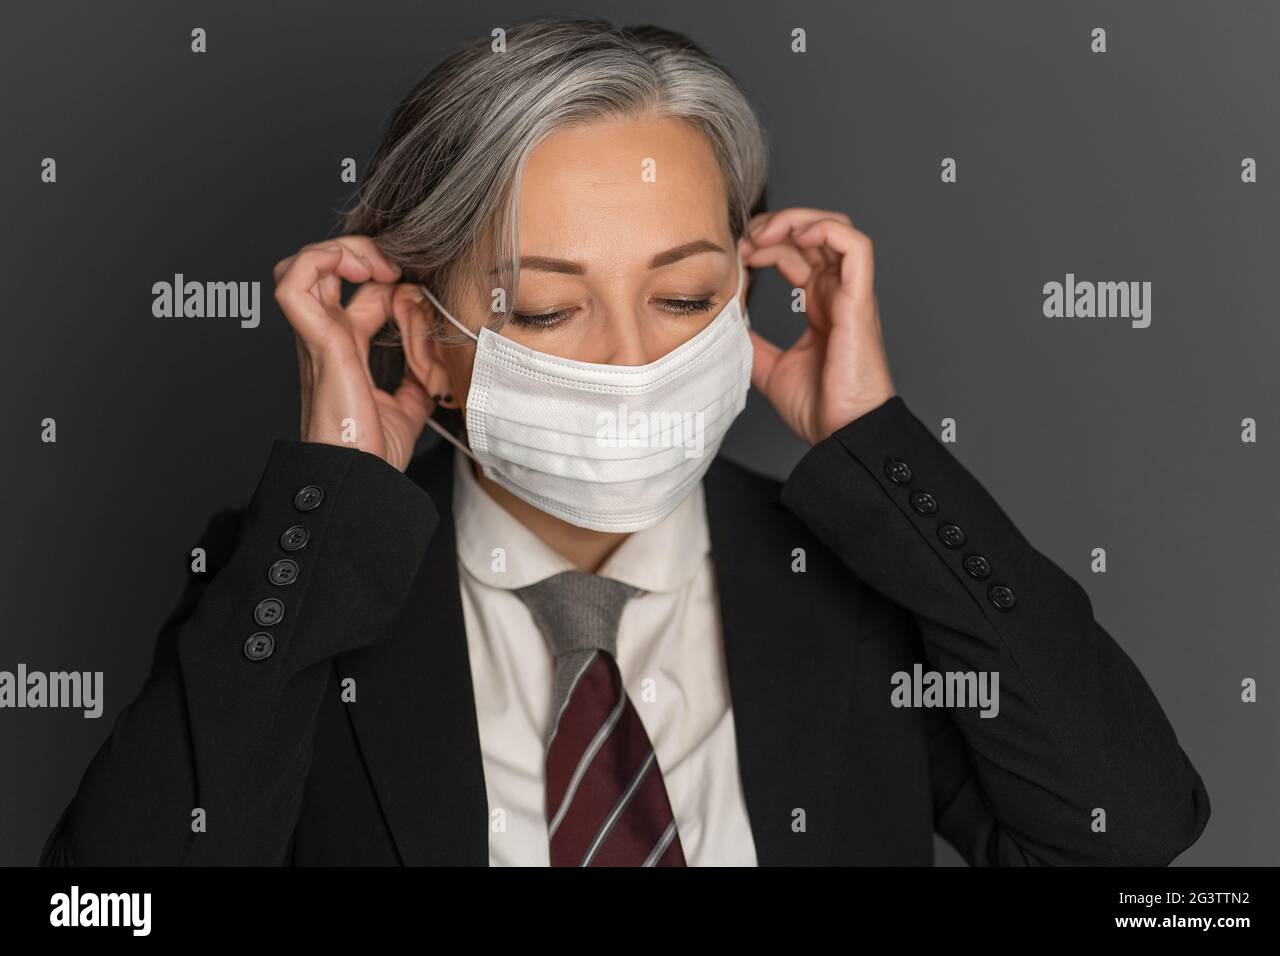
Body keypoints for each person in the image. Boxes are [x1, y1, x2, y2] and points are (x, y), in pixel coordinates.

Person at [41, 16, 1209, 867]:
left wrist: (877, 447)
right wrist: (329, 483)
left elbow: (1127, 831)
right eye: (544, 309)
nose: (628, 361)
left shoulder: (854, 584)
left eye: (686, 295)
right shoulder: (299, 585)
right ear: (426, 340)